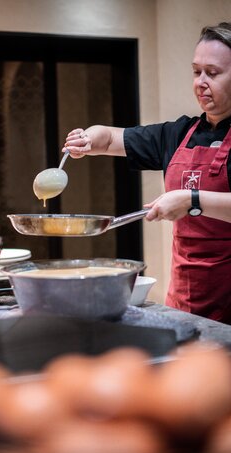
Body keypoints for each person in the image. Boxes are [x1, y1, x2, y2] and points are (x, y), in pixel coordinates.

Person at [63, 22, 231, 323]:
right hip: (184, 300)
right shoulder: (180, 133)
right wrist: (89, 139)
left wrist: (191, 199)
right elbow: (112, 138)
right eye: (196, 72)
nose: (201, 82)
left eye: (213, 73)